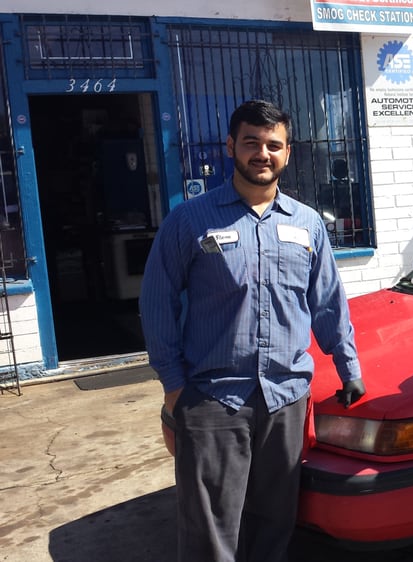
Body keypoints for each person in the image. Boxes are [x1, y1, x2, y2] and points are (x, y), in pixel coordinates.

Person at [140, 100, 365, 561]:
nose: (262, 153)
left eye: (273, 145)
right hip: (213, 398)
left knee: (274, 522)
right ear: (231, 147)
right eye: (251, 143)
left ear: (287, 153)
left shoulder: (307, 224)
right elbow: (156, 302)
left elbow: (327, 302)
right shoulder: (190, 220)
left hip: (285, 397)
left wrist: (348, 368)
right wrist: (174, 388)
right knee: (210, 532)